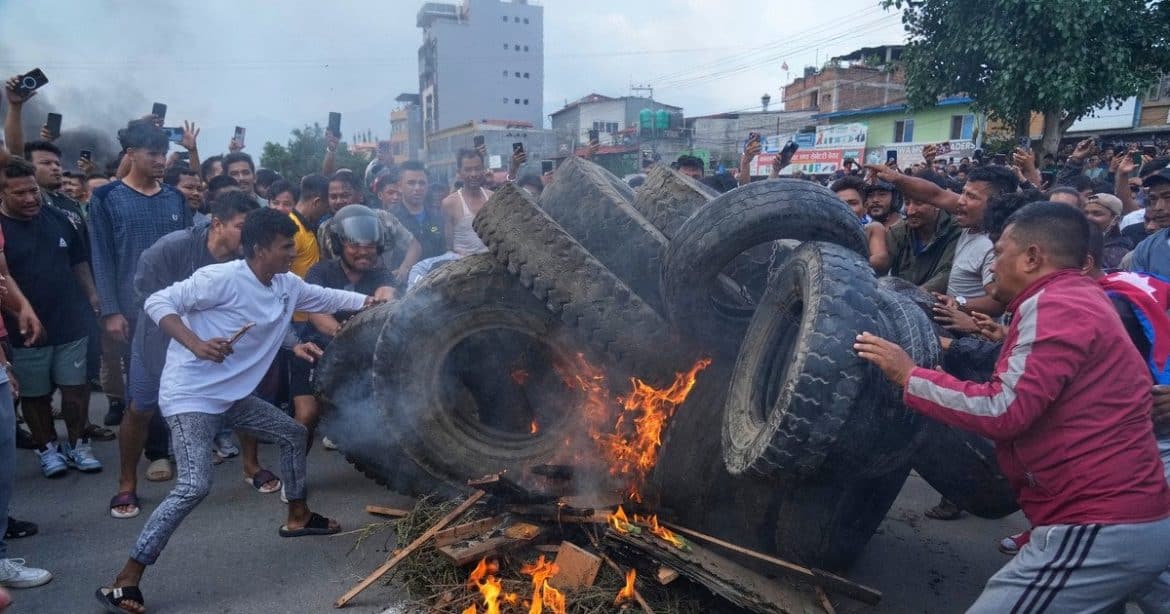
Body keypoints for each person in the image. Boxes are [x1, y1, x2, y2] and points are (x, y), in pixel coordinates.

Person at [856, 202, 1170, 612]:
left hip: (1097, 521)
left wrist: (909, 375)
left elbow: (1004, 410)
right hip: (1124, 515)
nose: (992, 267)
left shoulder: (1054, 304)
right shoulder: (1079, 298)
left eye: (999, 252)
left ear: (1032, 257)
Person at [96, 208, 378, 614]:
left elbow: (331, 298)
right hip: (191, 397)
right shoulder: (222, 278)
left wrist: (370, 300)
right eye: (286, 248)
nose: (292, 255)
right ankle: (125, 579)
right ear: (260, 248)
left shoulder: (285, 283)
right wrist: (195, 344)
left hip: (232, 397)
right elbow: (159, 301)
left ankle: (297, 516)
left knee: (294, 433)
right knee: (194, 486)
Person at [108, 192, 261, 520]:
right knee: (140, 408)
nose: (249, 238)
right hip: (159, 341)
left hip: (221, 343)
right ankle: (126, 480)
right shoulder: (170, 248)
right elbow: (148, 300)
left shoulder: (249, 258)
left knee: (245, 397)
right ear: (216, 224)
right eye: (242, 228)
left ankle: (252, 465)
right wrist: (192, 340)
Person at [90, 119, 192, 479]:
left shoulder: (175, 198)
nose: (161, 160)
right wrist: (111, 310)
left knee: (180, 376)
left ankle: (183, 446)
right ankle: (156, 453)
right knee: (144, 386)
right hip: (134, 310)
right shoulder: (105, 199)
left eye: (163, 154)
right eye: (153, 154)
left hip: (178, 307)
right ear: (130, 155)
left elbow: (189, 253)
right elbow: (100, 256)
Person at [0, 158, 101, 477]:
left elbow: (79, 261)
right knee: (35, 395)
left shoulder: (60, 217)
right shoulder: (1, 230)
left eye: (33, 191)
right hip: (24, 331)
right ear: (2, 193)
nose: (30, 199)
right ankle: (47, 449)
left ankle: (78, 443)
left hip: (71, 321)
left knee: (76, 389)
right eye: (20, 194)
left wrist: (92, 296)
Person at [289, 205, 394, 449]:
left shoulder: (382, 274)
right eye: (355, 245)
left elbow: (387, 294)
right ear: (338, 245)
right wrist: (343, 333)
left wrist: (383, 301)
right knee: (306, 416)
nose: (364, 252)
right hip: (316, 350)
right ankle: (293, 475)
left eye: (370, 245)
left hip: (363, 357)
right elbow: (317, 314)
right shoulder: (320, 271)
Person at [406, 149, 492, 285]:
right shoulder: (450, 203)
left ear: (483, 169)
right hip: (462, 263)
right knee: (419, 270)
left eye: (477, 169)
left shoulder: (492, 197)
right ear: (459, 172)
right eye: (468, 170)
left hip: (491, 262)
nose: (473, 174)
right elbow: (449, 243)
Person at [884, 172, 962, 294]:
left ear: (938, 203)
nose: (910, 211)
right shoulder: (897, 232)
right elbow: (883, 265)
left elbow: (946, 274)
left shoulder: (956, 229)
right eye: (907, 202)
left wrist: (912, 297)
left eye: (919, 203)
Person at [830, 176, 890, 273]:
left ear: (865, 207)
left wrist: (844, 264)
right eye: (839, 203)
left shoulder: (872, 228)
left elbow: (881, 259)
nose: (846, 208)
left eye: (852, 203)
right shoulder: (825, 231)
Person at [390, 161, 444, 261]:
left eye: (422, 183)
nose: (418, 188)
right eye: (411, 183)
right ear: (399, 187)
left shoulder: (436, 218)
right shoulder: (390, 220)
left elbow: (442, 251)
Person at [1129, 168, 1170, 277]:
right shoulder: (1145, 249)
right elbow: (1140, 291)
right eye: (1153, 199)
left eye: (1168, 197)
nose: (1158, 207)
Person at [1082, 193, 1132, 270]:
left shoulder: (1119, 250)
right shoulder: (1076, 242)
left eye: (1097, 214)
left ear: (1116, 220)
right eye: (1086, 213)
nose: (1088, 218)